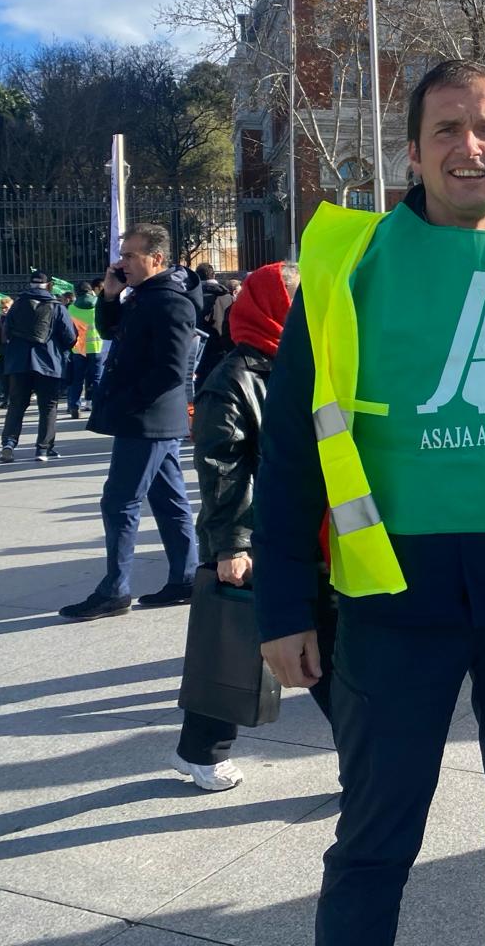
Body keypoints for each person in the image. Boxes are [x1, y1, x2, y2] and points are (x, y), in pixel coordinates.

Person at [253, 59, 485, 946]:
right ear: (411, 150)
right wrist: (283, 604)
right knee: (377, 833)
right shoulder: (349, 264)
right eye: (446, 129)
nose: (469, 147)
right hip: (392, 591)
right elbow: (293, 446)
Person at [171, 261, 335, 792]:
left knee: (319, 652)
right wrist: (233, 545)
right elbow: (221, 466)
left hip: (300, 530)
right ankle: (202, 751)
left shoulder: (299, 363)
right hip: (254, 536)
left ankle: (366, 758)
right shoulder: (236, 377)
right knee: (240, 647)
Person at [59, 224, 203, 621]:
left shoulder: (171, 302)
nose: (120, 262)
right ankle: (186, 577)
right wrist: (109, 294)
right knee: (168, 499)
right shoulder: (144, 295)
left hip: (148, 419)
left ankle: (114, 590)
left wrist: (128, 403)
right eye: (122, 254)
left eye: (129, 256)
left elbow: (173, 370)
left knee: (119, 500)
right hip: (151, 417)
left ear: (155, 258)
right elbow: (111, 330)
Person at [0, 269, 78, 464]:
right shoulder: (57, 306)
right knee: (48, 406)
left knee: (16, 405)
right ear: (48, 285)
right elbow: (69, 336)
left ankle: (8, 443)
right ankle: (43, 448)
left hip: (19, 363)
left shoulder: (17, 304)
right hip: (48, 362)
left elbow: (6, 332)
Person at [65, 280, 105, 418]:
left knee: (77, 379)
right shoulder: (99, 303)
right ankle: (99, 406)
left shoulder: (71, 308)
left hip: (79, 348)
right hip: (97, 346)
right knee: (97, 379)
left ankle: (74, 406)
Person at [194, 262, 231, 384]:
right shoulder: (227, 296)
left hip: (199, 350)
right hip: (223, 348)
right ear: (213, 276)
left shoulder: (192, 298)